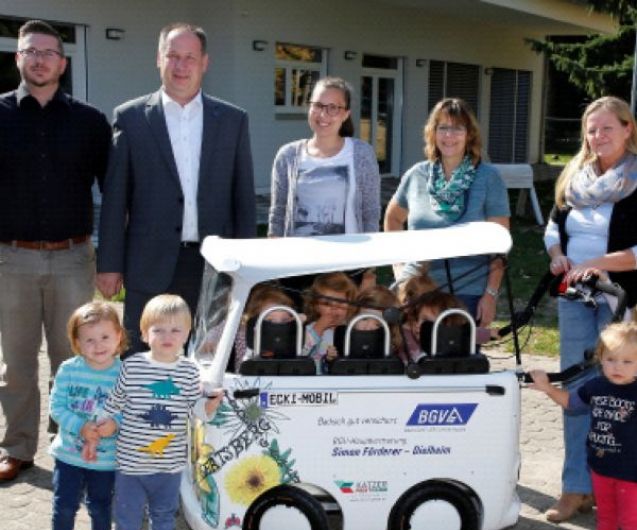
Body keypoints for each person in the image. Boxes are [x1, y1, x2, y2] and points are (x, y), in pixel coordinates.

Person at [96, 22, 256, 355]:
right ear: (159, 59)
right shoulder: (131, 117)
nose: (181, 66)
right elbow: (115, 198)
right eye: (173, 56)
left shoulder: (232, 120)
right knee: (142, 362)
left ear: (205, 63)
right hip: (148, 263)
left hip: (213, 265)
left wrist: (248, 265)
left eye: (190, 57)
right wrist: (109, 263)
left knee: (208, 361)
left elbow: (243, 198)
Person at [0, 20, 111, 481]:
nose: (40, 59)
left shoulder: (89, 121)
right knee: (17, 361)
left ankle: (69, 442)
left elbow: (115, 189)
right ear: (18, 58)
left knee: (75, 358)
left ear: (62, 64)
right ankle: (17, 446)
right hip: (12, 258)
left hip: (72, 257)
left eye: (49, 52)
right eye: (31, 51)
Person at [542, 96, 637, 523]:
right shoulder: (574, 178)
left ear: (627, 129)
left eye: (607, 128)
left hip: (622, 298)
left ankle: (618, 492)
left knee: (620, 393)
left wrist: (595, 263)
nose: (598, 136)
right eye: (591, 129)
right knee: (578, 391)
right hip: (575, 296)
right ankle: (575, 489)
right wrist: (559, 255)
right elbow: (551, 226)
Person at [100, 295, 222, 530]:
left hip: (168, 465)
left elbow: (195, 411)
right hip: (130, 463)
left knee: (164, 515)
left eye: (175, 330)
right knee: (127, 516)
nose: (167, 337)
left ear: (187, 334)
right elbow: (113, 404)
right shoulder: (131, 367)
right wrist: (101, 422)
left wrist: (211, 405)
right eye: (158, 330)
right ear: (144, 334)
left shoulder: (190, 371)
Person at [530, 322, 637, 530]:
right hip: (600, 468)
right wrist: (547, 388)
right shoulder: (596, 385)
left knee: (631, 520)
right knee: (607, 516)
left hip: (632, 473)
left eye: (627, 361)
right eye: (611, 359)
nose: (618, 367)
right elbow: (571, 403)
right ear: (600, 358)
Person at [383, 97, 510, 326]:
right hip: (417, 291)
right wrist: (400, 269)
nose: (449, 135)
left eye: (457, 128)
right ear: (433, 132)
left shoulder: (488, 177)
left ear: (469, 133)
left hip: (467, 291)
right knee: (414, 358)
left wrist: (490, 295)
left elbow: (499, 244)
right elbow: (393, 218)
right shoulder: (416, 175)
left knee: (458, 359)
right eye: (442, 127)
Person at [40, 302, 126, 530]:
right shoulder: (68, 369)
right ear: (77, 342)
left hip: (106, 459)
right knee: (64, 505)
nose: (98, 345)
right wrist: (80, 427)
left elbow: (132, 410)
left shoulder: (125, 374)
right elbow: (57, 407)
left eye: (105, 337)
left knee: (101, 505)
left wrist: (114, 425)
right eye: (89, 339)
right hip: (68, 456)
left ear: (118, 338)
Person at [268, 76, 381, 238]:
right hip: (299, 259)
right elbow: (278, 211)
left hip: (348, 259)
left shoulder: (362, 154)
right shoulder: (287, 155)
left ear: (346, 114)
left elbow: (370, 212)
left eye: (333, 107)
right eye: (318, 105)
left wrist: (369, 258)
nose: (323, 114)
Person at [302, 273, 357, 371]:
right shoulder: (311, 329)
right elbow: (301, 354)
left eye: (340, 302)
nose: (334, 308)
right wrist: (318, 328)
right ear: (315, 306)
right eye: (327, 303)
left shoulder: (353, 329)